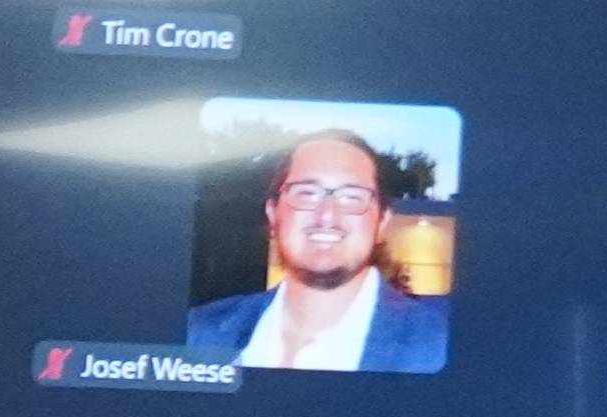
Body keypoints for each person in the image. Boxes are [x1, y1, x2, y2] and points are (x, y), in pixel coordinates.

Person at [180, 129, 447, 372]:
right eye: (307, 193)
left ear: (381, 223)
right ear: (273, 214)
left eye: (352, 197)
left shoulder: (440, 348)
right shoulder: (196, 332)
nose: (327, 215)